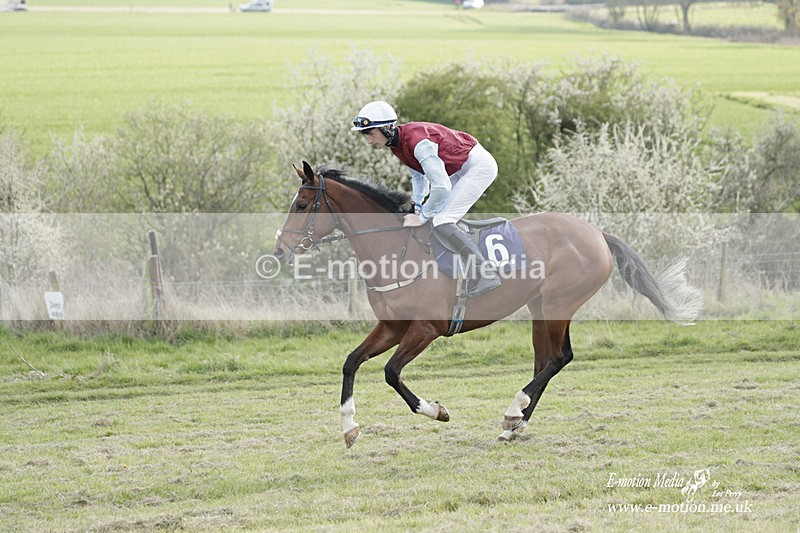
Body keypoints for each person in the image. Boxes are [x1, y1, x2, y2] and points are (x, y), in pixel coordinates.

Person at [351, 100, 501, 297]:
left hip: (477, 167)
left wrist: (422, 217)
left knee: (441, 219)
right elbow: (418, 175)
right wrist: (418, 204)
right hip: (459, 168)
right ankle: (463, 267)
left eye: (371, 133)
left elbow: (441, 187)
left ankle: (486, 273)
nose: (369, 140)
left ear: (387, 128)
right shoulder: (397, 143)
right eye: (366, 135)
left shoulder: (417, 143)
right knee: (438, 215)